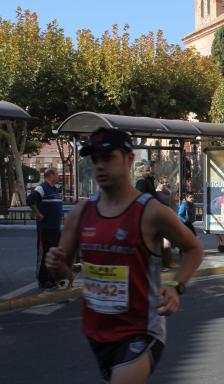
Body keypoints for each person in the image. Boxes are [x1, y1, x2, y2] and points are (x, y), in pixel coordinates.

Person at [45, 128, 204, 383]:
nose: (100, 165)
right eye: (95, 159)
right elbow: (64, 274)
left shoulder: (151, 212)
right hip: (96, 331)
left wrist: (176, 286)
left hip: (141, 331)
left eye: (108, 157)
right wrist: (55, 265)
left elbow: (194, 249)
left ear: (129, 159)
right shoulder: (81, 213)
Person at [27, 167, 63, 289]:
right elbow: (30, 199)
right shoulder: (42, 187)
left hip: (55, 227)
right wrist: (38, 214)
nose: (59, 176)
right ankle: (43, 279)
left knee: (54, 253)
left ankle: (52, 277)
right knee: (45, 253)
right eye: (57, 174)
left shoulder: (54, 189)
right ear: (51, 175)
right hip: (46, 227)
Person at [156, 177, 178, 269]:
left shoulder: (167, 190)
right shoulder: (158, 190)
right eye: (163, 182)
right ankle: (166, 262)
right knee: (164, 241)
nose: (165, 184)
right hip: (161, 216)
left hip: (168, 216)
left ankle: (167, 261)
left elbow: (172, 200)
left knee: (166, 240)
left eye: (166, 182)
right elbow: (166, 199)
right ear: (160, 182)